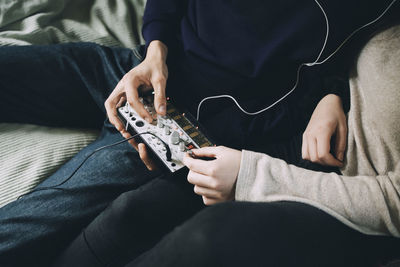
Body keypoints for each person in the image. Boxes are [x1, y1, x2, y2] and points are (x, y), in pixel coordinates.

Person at [0, 0, 398, 266]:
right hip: (145, 67)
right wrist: (155, 52)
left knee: (33, 221)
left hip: (195, 124)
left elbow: (357, 54)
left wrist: (330, 93)